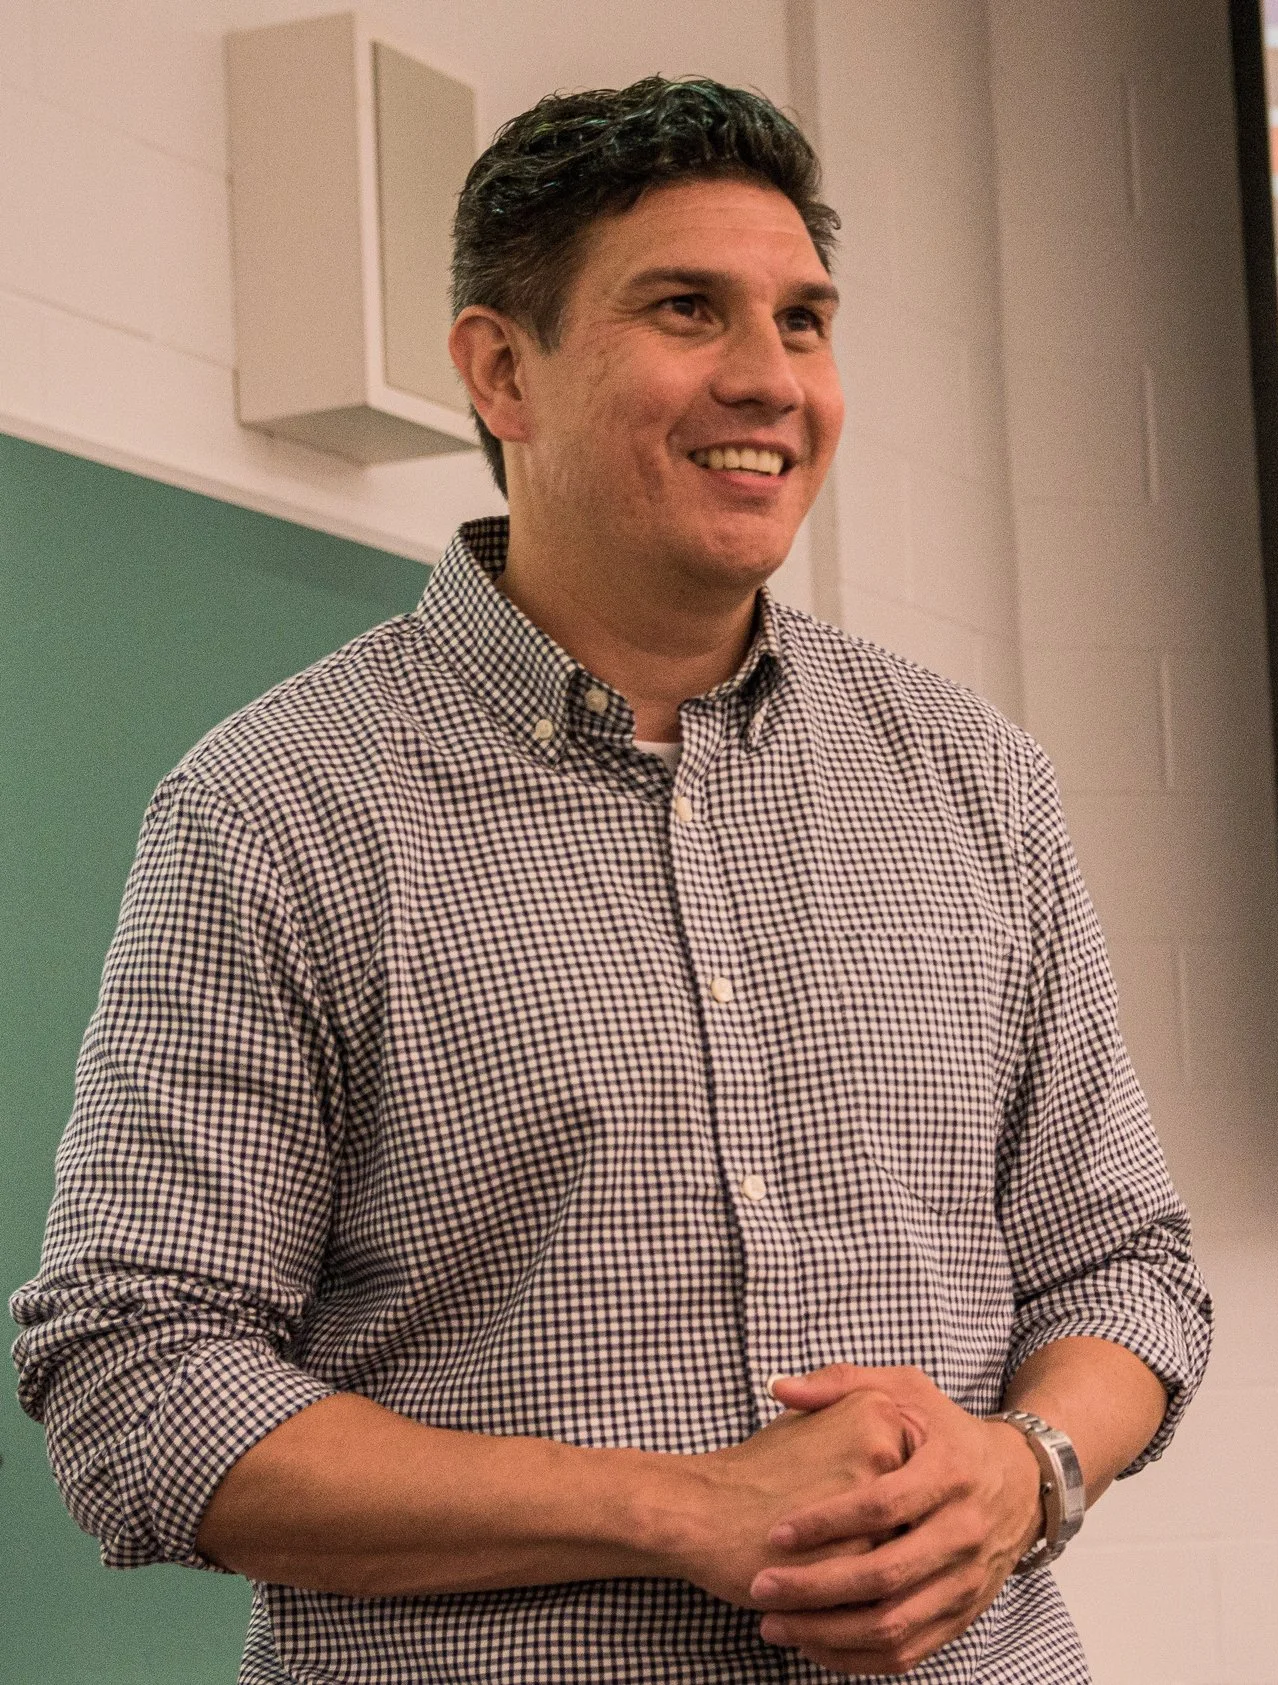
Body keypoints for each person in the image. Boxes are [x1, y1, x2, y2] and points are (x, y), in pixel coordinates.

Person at [11, 76, 1210, 1683]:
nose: (770, 381)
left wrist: (1027, 1468)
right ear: (502, 369)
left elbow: (1123, 1265)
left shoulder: (972, 781)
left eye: (805, 321)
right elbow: (132, 1379)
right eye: (687, 311)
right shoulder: (278, 809)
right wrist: (679, 1508)